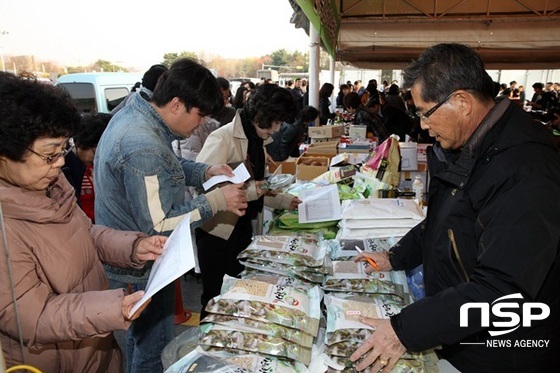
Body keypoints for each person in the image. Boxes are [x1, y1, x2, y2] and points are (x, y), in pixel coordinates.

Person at [350, 43, 560, 373]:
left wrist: (404, 331)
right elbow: (446, 219)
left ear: (461, 102)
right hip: (461, 332)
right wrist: (397, 256)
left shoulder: (527, 168)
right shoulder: (471, 145)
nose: (421, 125)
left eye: (425, 112)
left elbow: (500, 290)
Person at [0, 72, 167, 372]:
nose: (61, 163)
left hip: (95, 349)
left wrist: (134, 246)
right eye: (50, 155)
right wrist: (112, 308)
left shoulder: (51, 185)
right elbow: (31, 317)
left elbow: (86, 234)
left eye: (63, 150)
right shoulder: (5, 224)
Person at [93, 58, 248, 373]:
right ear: (177, 104)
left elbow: (168, 170)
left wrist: (206, 171)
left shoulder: (139, 114)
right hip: (141, 268)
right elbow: (159, 224)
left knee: (140, 339)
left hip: (132, 256)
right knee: (153, 349)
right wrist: (217, 199)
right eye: (200, 114)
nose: (201, 123)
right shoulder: (143, 146)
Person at [195, 84, 301, 319]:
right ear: (264, 115)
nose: (278, 129)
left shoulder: (256, 139)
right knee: (215, 299)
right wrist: (256, 189)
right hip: (217, 232)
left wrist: (285, 201)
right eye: (277, 121)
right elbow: (204, 186)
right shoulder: (222, 138)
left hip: (242, 227)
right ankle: (207, 347)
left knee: (238, 291)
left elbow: (259, 184)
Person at [63, 113, 111, 222]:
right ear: (80, 143)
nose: (98, 160)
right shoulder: (64, 166)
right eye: (96, 153)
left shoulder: (97, 166)